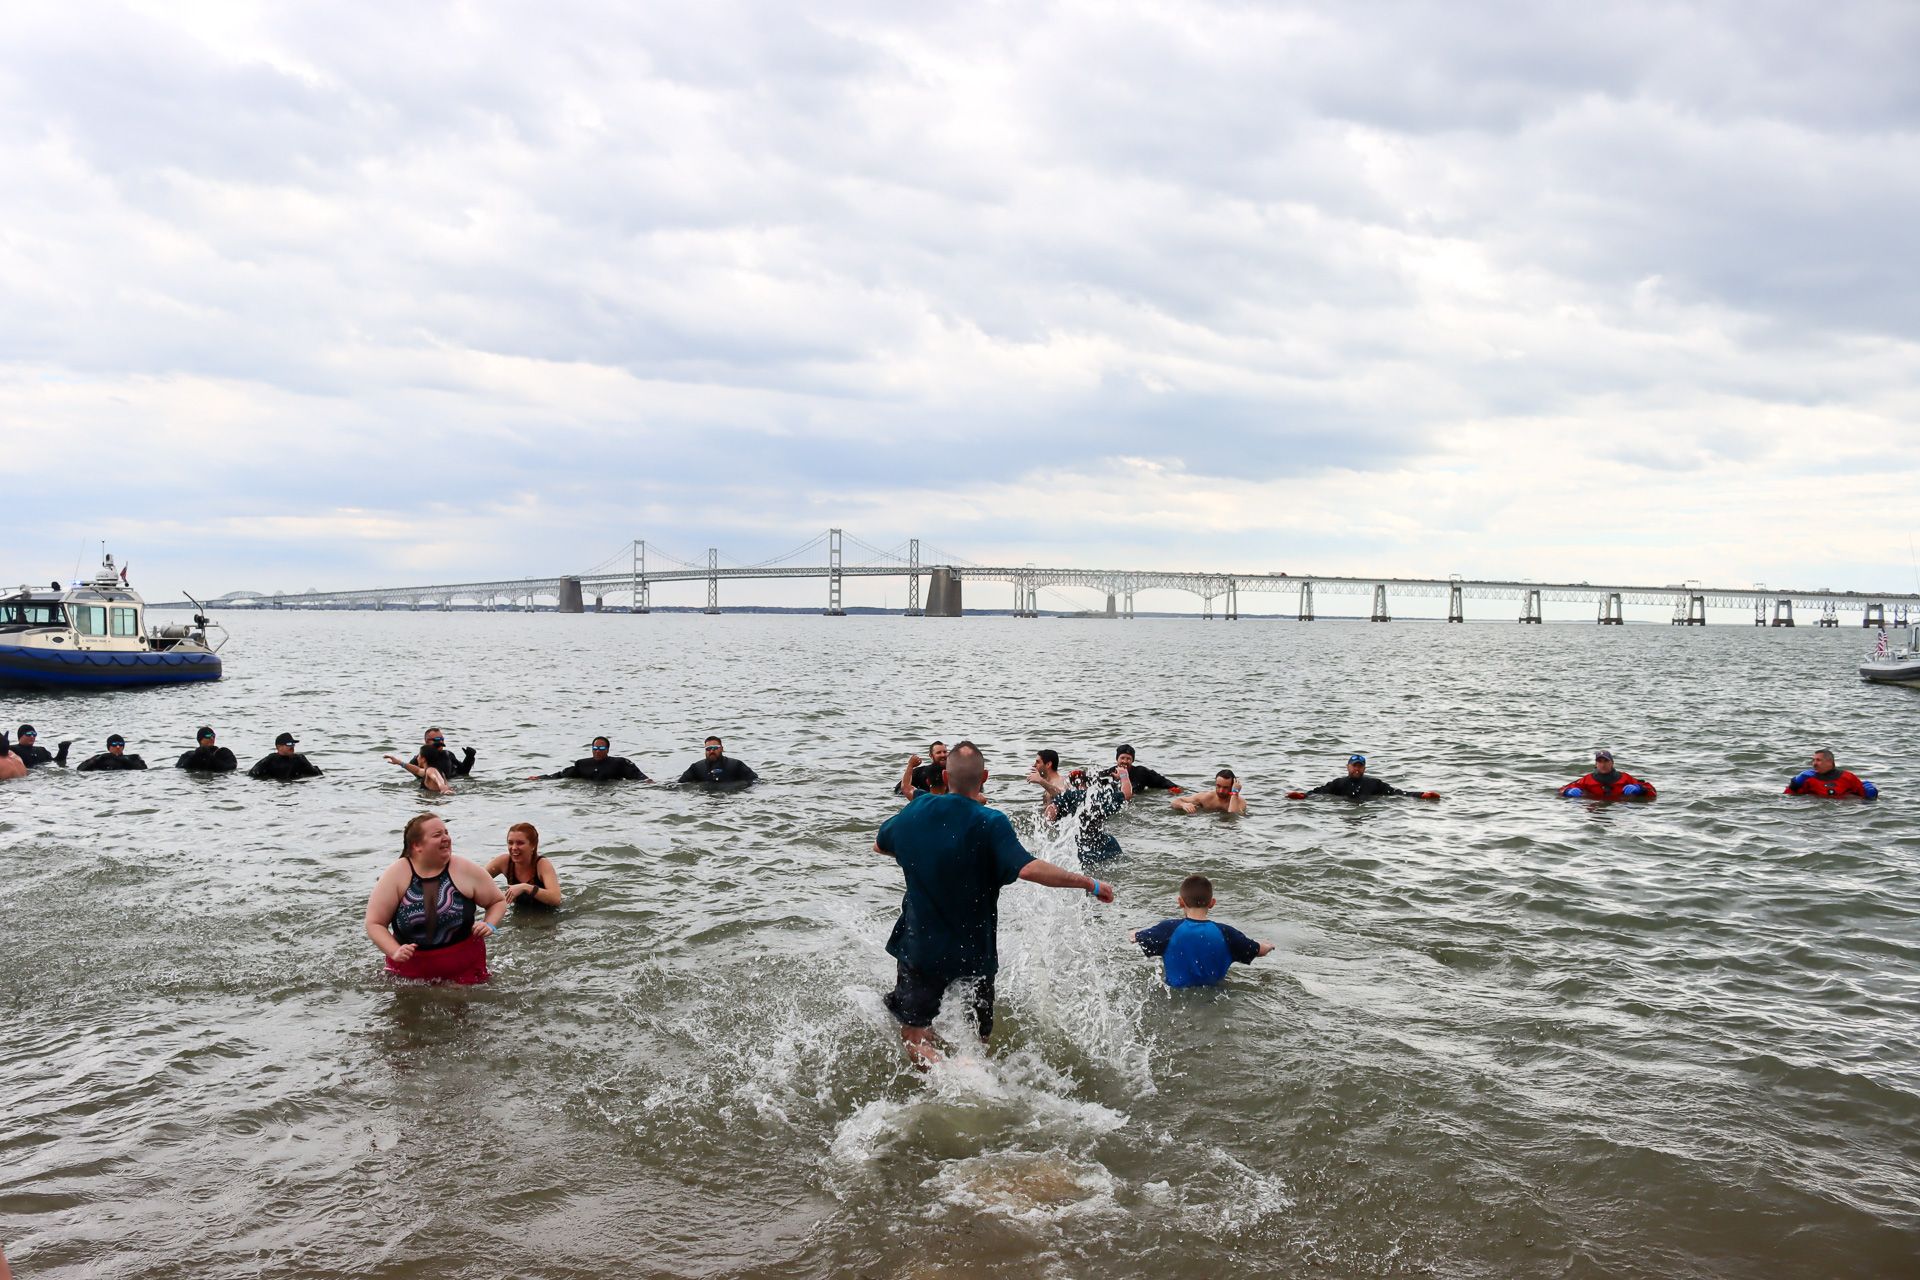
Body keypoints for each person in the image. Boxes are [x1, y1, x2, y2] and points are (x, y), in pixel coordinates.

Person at [875, 740, 1115, 1066]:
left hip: (920, 948)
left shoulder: (916, 809)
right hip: (976, 953)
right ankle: (975, 1080)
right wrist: (1089, 882)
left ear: (945, 775)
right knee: (978, 1038)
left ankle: (946, 1082)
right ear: (984, 776)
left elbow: (880, 845)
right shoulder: (991, 822)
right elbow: (1029, 868)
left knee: (914, 1036)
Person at [364, 813, 505, 983]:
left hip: (464, 967)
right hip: (410, 971)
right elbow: (374, 923)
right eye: (437, 835)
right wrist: (394, 950)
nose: (446, 838)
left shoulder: (465, 869)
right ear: (417, 845)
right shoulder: (396, 875)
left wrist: (489, 924)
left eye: (446, 832)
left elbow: (497, 901)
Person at [1133, 875, 1273, 987]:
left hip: (1176, 995)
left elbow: (1137, 938)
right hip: (1214, 997)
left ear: (1180, 902)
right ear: (1212, 903)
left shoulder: (1168, 929)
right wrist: (1268, 945)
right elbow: (1257, 950)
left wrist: (1134, 933)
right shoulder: (1226, 933)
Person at [1036, 759, 1130, 863]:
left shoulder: (1068, 796)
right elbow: (1127, 794)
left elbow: (1051, 813)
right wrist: (1124, 775)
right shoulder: (1099, 796)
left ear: (1071, 784)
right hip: (1102, 845)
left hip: (1077, 847)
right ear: (1088, 783)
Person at [1286, 754, 1440, 801]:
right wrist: (1303, 796)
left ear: (1364, 768)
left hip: (1367, 810)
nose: (1357, 769)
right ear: (1348, 767)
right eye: (1354, 765)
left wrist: (1421, 795)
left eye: (1360, 766)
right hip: (1344, 809)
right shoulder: (1338, 783)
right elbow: (1319, 792)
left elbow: (1397, 793)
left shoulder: (1374, 783)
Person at [487, 821, 562, 907]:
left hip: (549, 915)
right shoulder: (504, 862)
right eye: (510, 843)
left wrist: (525, 887)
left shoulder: (542, 864)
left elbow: (556, 899)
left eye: (520, 843)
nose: (514, 848)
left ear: (533, 845)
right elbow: (476, 878)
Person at [530, 736, 649, 782]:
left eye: (601, 748)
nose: (598, 750)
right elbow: (562, 775)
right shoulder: (582, 764)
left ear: (607, 750)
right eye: (595, 748)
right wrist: (540, 778)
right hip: (590, 792)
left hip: (612, 791)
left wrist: (647, 781)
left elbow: (637, 775)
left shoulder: (619, 763)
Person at [1558, 749, 1655, 801]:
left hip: (1619, 811)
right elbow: (1562, 789)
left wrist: (1639, 788)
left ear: (1612, 763)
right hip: (1595, 810)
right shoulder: (1586, 779)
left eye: (1606, 761)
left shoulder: (1625, 778)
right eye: (1599, 761)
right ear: (1596, 764)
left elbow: (1652, 790)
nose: (1603, 764)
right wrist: (1567, 791)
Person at [1784, 749, 1878, 799]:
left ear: (1829, 761)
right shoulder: (1808, 779)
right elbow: (1788, 797)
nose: (1814, 763)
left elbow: (1865, 799)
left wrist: (1872, 795)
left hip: (1843, 812)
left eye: (1818, 760)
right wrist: (1794, 784)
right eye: (1813, 760)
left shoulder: (1848, 777)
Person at [677, 735, 758, 786]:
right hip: (706, 800)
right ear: (705, 751)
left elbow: (755, 781)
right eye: (708, 749)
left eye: (715, 748)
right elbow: (680, 784)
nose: (712, 751)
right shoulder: (696, 767)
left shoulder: (736, 765)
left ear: (722, 749)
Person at [1112, 743, 1182, 795]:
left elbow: (1162, 781)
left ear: (1132, 760)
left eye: (1128, 759)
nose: (1125, 761)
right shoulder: (1109, 773)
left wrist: (1174, 789)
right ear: (1117, 759)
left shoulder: (1141, 772)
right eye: (1122, 758)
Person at [251, 732, 323, 781]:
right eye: (289, 744)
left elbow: (316, 774)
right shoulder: (270, 760)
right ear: (279, 747)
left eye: (293, 744)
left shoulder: (299, 759)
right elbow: (252, 774)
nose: (292, 747)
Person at [1173, 768, 1248, 814]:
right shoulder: (1207, 797)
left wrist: (1234, 793)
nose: (1221, 791)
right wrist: (1183, 805)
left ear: (1232, 786)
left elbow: (1233, 817)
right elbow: (1175, 802)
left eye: (1225, 787)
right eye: (1218, 786)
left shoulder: (1240, 802)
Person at [76, 734, 147, 771]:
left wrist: (123, 759)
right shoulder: (101, 758)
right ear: (109, 747)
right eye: (114, 744)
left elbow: (143, 769)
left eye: (120, 744)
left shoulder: (133, 758)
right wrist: (98, 759)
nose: (118, 747)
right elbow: (80, 769)